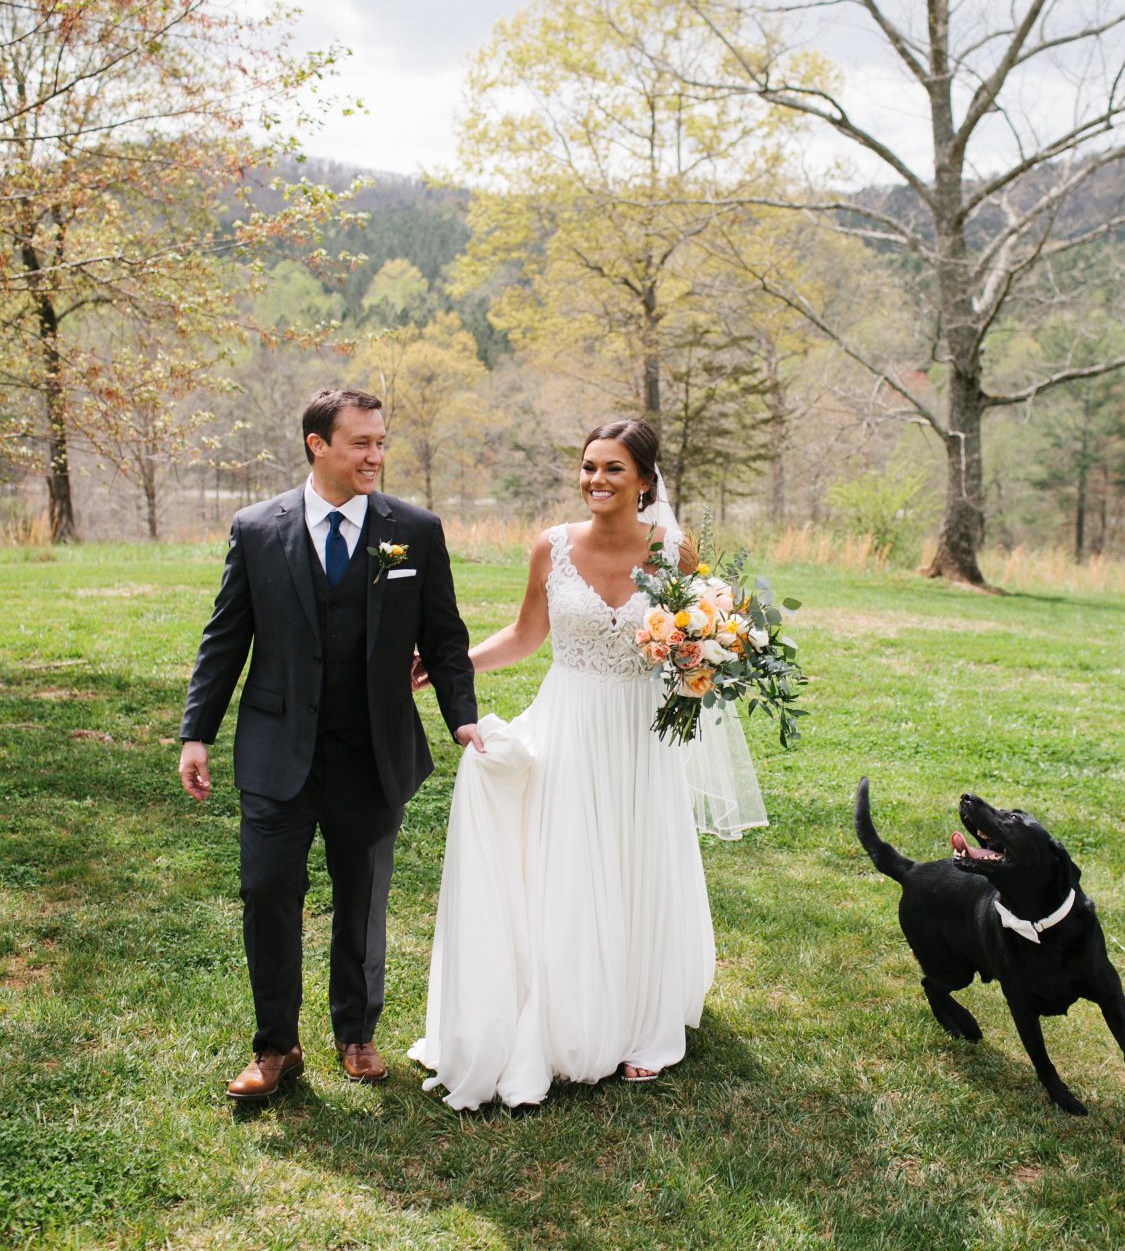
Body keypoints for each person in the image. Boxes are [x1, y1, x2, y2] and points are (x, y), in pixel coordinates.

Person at [409, 417, 753, 1110]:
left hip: (639, 734)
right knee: (569, 866)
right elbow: (527, 633)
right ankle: (569, 1012)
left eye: (614, 469)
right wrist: (450, 665)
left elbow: (722, 632)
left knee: (634, 862)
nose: (597, 480)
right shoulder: (552, 547)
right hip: (569, 721)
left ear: (645, 481)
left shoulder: (674, 552)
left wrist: (699, 658)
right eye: (589, 467)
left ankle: (641, 1024)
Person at [179, 386, 480, 1101]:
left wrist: (462, 717)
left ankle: (357, 1034)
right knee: (267, 891)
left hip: (372, 750)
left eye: (381, 442)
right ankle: (276, 1047)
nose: (375, 455)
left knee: (363, 897)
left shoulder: (415, 529)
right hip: (276, 747)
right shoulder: (257, 528)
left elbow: (444, 638)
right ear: (319, 444)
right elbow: (226, 638)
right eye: (361, 443)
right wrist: (197, 732)